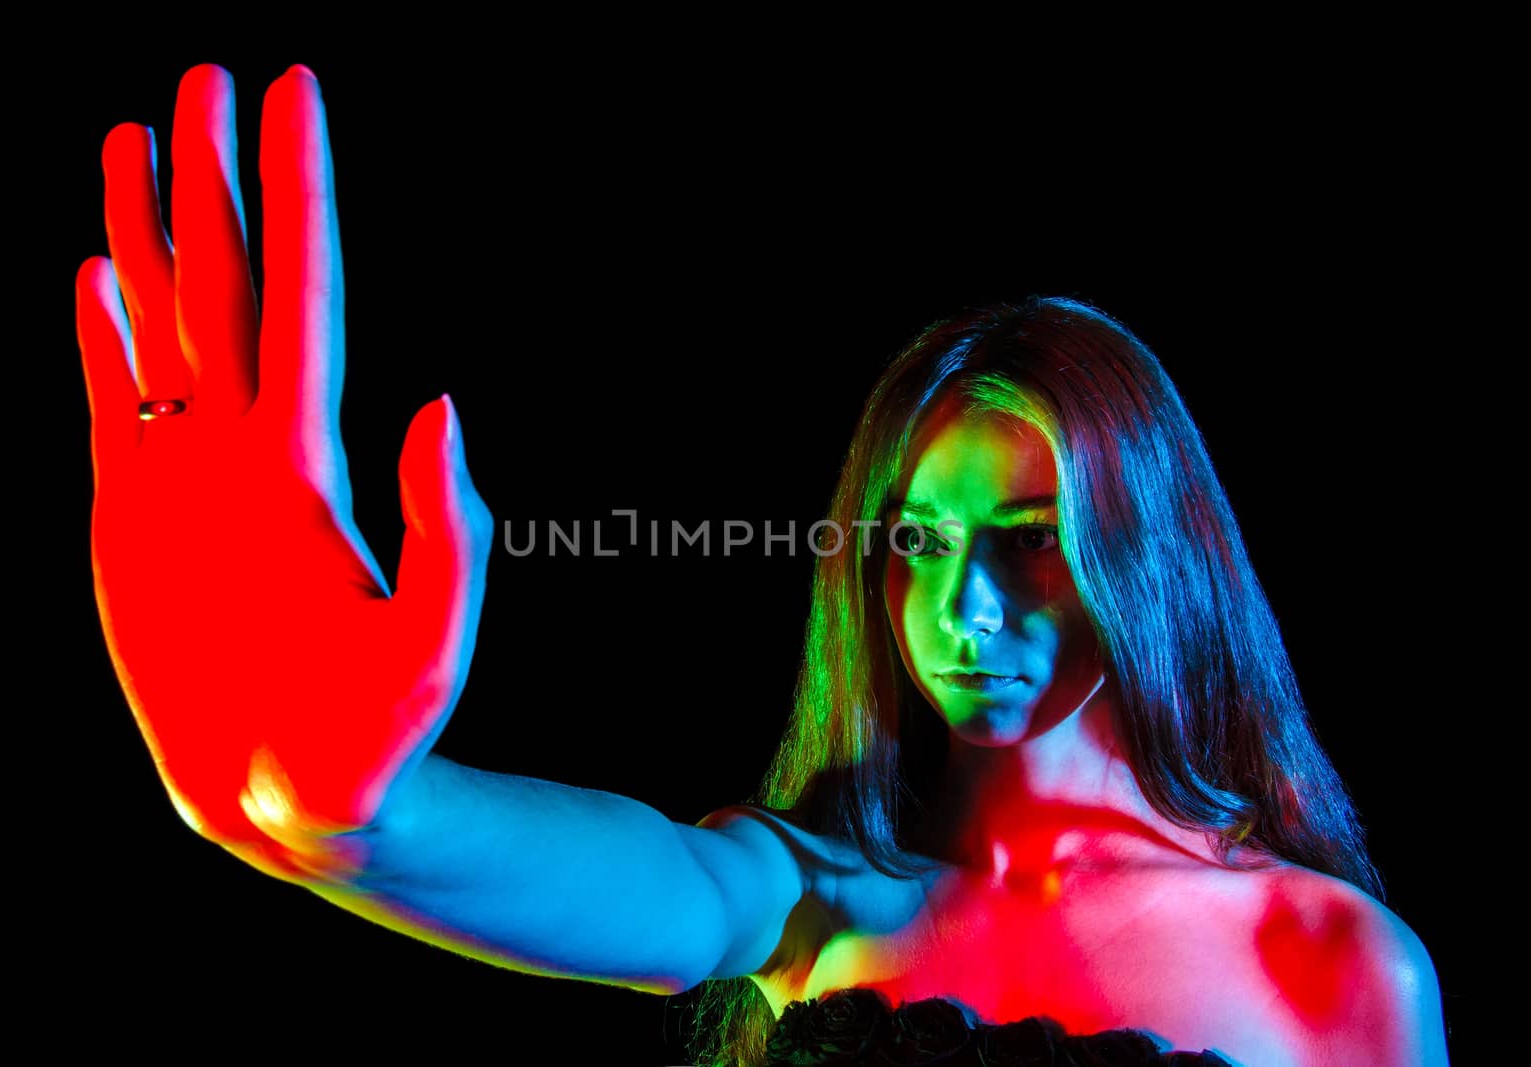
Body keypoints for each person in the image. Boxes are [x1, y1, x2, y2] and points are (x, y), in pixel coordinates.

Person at [75, 63, 1448, 1065]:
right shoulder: (818, 897)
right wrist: (361, 822)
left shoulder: (1333, 964)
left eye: (1030, 542)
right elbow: (671, 886)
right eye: (916, 542)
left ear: (1153, 563)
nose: (961, 607)